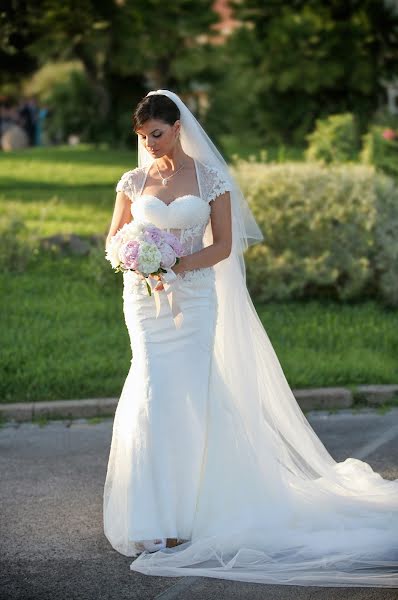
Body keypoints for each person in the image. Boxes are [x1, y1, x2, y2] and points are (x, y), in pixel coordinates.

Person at [103, 90, 398, 587]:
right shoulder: (134, 181)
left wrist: (175, 264)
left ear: (178, 127)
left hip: (194, 299)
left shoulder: (211, 179)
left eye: (157, 134)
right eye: (142, 137)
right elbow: (114, 237)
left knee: (193, 394)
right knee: (152, 389)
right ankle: (155, 517)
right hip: (144, 301)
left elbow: (221, 246)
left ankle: (195, 510)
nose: (150, 145)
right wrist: (135, 256)